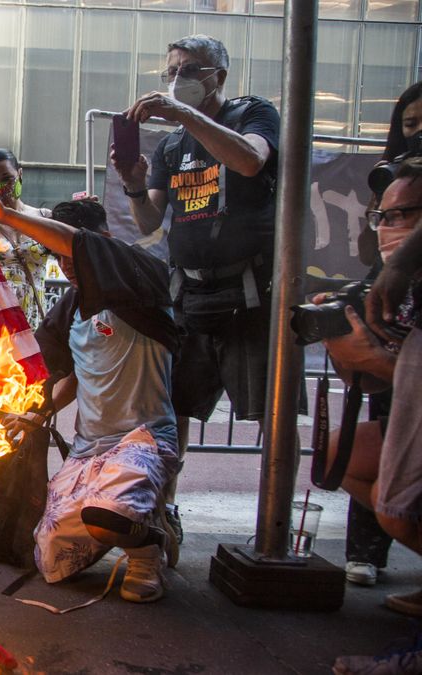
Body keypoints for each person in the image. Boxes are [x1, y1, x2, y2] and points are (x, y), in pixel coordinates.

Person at [0, 190, 181, 603]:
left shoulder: (142, 274)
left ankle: (147, 549)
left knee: (108, 518)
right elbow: (69, 378)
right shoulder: (68, 307)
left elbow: (80, 245)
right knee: (51, 560)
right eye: (58, 257)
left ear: (104, 239)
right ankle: (130, 518)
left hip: (143, 440)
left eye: (72, 253)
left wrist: (5, 214)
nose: (67, 266)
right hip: (88, 451)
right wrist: (33, 412)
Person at [114, 34, 293, 534]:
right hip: (190, 295)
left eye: (191, 69)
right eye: (171, 69)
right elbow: (150, 221)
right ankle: (163, 509)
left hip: (249, 294)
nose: (177, 78)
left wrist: (185, 114)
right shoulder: (173, 145)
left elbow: (251, 161)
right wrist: (132, 181)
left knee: (271, 416)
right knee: (174, 411)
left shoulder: (252, 114)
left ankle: (274, 522)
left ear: (219, 76)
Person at [331, 160, 422, 674]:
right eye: (381, 217)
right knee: (340, 455)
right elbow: (386, 375)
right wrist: (354, 353)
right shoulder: (397, 286)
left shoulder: (403, 274)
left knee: (399, 510)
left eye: (401, 215)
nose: (388, 229)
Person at [0, 148, 49, 329]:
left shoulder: (44, 218)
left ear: (20, 174)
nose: (0, 186)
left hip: (38, 323)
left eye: (7, 178)